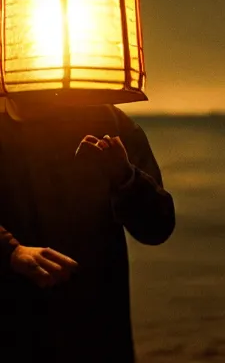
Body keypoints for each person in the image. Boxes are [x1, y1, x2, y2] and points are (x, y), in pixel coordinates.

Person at [0, 97, 175, 363]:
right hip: (14, 314)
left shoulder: (114, 124)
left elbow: (157, 227)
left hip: (97, 314)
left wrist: (125, 177)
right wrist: (11, 251)